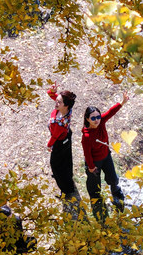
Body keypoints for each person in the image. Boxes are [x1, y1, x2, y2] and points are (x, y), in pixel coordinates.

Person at [82, 91, 129, 220]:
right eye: (93, 118)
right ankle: (96, 202)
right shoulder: (86, 136)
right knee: (94, 185)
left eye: (98, 117)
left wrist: (122, 102)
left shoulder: (101, 122)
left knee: (113, 178)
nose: (96, 120)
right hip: (94, 162)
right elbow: (87, 153)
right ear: (87, 119)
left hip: (106, 156)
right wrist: (91, 167)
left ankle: (117, 196)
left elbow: (110, 112)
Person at [47, 83, 82, 216]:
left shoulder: (59, 122)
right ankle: (68, 179)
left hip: (60, 141)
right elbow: (52, 95)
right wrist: (53, 91)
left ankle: (66, 189)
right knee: (67, 160)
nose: (56, 102)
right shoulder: (67, 108)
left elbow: (54, 136)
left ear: (65, 105)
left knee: (55, 165)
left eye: (59, 102)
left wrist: (49, 145)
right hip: (67, 136)